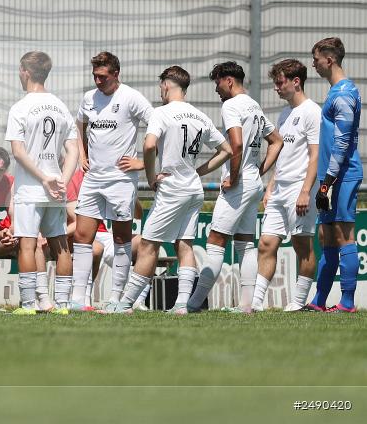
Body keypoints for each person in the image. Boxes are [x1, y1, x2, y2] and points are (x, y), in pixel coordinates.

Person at [108, 66, 231, 314]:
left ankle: (124, 304)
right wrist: (198, 172)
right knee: (184, 244)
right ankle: (183, 305)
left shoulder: (162, 113)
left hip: (172, 188)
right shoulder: (200, 116)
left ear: (166, 85)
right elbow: (227, 150)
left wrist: (152, 177)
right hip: (193, 190)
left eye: (160, 87)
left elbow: (149, 145)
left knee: (147, 245)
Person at [187, 61, 283, 312]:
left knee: (215, 241)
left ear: (229, 81)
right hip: (253, 183)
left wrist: (236, 176)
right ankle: (246, 306)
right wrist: (259, 171)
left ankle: (193, 304)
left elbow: (236, 145)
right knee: (245, 244)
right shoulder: (254, 104)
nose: (216, 89)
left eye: (217, 83)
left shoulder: (230, 105)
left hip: (239, 184)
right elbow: (276, 141)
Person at [69, 51, 152, 311]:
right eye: (94, 76)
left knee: (121, 237)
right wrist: (82, 155)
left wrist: (143, 163)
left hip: (120, 180)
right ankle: (78, 299)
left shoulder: (131, 97)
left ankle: (116, 298)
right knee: (82, 236)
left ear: (116, 73)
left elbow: (158, 126)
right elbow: (79, 124)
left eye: (102, 76)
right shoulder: (88, 98)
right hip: (93, 178)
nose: (97, 81)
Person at [5, 51, 78, 315]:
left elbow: (18, 151)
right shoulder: (61, 106)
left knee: (27, 243)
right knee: (60, 245)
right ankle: (63, 306)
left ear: (25, 71)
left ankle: (27, 305)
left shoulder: (20, 107)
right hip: (55, 190)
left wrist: (43, 178)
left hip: (31, 188)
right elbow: (74, 151)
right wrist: (62, 180)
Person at [252, 59, 321, 312]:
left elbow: (315, 155)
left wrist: (305, 191)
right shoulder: (284, 113)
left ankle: (298, 302)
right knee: (266, 243)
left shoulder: (312, 111)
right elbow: (283, 154)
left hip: (300, 189)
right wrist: (271, 186)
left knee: (302, 245)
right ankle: (256, 303)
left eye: (279, 83)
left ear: (296, 82)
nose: (276, 88)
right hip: (280, 189)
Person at [307, 37, 362, 313]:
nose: (313, 64)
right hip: (331, 177)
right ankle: (319, 301)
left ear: (329, 60)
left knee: (343, 235)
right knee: (326, 236)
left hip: (341, 176)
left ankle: (348, 302)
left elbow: (341, 143)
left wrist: (327, 182)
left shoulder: (342, 94)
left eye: (316, 59)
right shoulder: (337, 91)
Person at [0, 146, 53, 310]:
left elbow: (14, 215)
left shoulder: (9, 181)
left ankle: (41, 299)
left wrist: (11, 231)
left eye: (0, 171)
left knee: (31, 240)